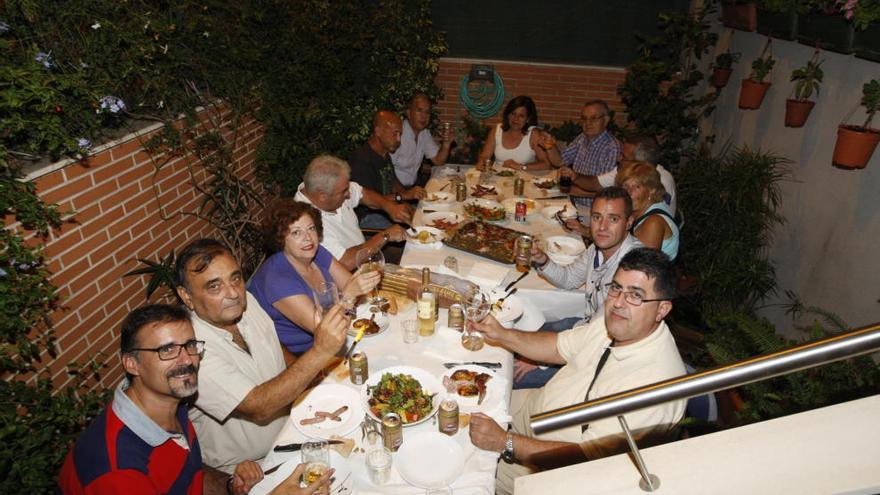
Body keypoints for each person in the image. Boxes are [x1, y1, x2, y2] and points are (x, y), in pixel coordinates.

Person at [468, 248, 687, 495]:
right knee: (461, 404)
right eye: (616, 288)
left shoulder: (654, 388)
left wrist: (504, 442)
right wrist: (501, 334)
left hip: (555, 467)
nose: (617, 303)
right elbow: (557, 346)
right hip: (534, 410)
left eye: (635, 295)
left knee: (465, 470)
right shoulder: (617, 323)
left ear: (662, 310)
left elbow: (587, 459)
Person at [57, 304, 287, 495]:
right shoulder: (117, 468)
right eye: (167, 350)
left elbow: (190, 476)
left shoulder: (171, 404)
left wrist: (230, 485)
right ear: (132, 364)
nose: (186, 360)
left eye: (190, 346)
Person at [175, 238, 350, 473]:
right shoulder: (189, 351)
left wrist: (313, 381)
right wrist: (320, 352)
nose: (233, 293)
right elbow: (258, 406)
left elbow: (276, 348)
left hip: (295, 431)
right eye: (214, 286)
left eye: (235, 278)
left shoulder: (247, 305)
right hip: (252, 469)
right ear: (186, 297)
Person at [515, 187, 643, 389]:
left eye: (613, 219)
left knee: (515, 374)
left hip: (602, 356)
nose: (602, 227)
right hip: (585, 328)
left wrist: (540, 361)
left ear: (628, 222)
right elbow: (569, 279)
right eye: (597, 217)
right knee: (522, 334)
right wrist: (541, 260)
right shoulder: (597, 249)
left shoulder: (633, 268)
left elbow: (598, 336)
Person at [249, 199, 380, 355]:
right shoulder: (277, 279)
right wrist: (348, 296)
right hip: (306, 355)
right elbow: (325, 329)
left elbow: (351, 286)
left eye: (311, 228)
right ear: (280, 238)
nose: (308, 238)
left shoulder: (315, 252)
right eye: (296, 232)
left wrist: (351, 294)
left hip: (344, 333)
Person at [294, 154, 408, 270]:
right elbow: (345, 263)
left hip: (366, 254)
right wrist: (385, 236)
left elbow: (362, 193)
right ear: (322, 196)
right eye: (344, 192)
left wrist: (389, 206)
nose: (349, 194)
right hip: (351, 276)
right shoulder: (305, 223)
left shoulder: (328, 188)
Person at [557, 135, 678, 217]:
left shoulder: (661, 181)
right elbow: (595, 183)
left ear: (641, 162)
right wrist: (575, 176)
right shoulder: (629, 170)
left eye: (624, 157)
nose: (618, 158)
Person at [349, 110, 426, 229]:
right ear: (378, 131)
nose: (399, 140)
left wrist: (408, 203)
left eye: (400, 134)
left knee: (425, 214)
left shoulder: (385, 154)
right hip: (368, 217)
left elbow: (394, 184)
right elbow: (369, 203)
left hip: (388, 208)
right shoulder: (361, 159)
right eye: (395, 133)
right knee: (418, 229)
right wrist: (403, 197)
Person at [545, 100, 621, 208]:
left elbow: (607, 191)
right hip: (572, 202)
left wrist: (573, 191)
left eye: (594, 118)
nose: (588, 123)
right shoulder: (582, 137)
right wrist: (549, 145)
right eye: (584, 118)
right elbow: (560, 161)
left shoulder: (612, 148)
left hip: (592, 209)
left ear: (606, 120)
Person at [618, 162, 679, 260]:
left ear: (652, 190)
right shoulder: (636, 211)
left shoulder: (653, 223)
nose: (629, 192)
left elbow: (641, 266)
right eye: (625, 186)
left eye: (637, 186)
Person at [390, 93, 452, 187]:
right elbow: (386, 171)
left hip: (411, 188)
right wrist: (403, 194)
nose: (424, 116)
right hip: (393, 190)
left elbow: (438, 161)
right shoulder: (398, 133)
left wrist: (446, 144)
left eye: (427, 112)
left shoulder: (424, 134)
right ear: (409, 113)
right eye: (419, 110)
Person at [477, 95, 552, 171]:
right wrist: (481, 161)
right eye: (513, 114)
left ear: (528, 119)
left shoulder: (534, 134)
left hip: (523, 179)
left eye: (521, 116)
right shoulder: (496, 130)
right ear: (508, 115)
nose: (516, 119)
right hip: (497, 178)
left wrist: (521, 166)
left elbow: (546, 164)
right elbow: (485, 156)